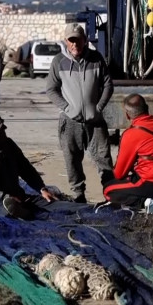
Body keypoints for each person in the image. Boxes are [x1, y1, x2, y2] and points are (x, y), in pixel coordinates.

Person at [46, 23, 114, 204]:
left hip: (95, 122)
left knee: (103, 158)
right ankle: (78, 195)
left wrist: (98, 107)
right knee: (72, 160)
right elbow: (51, 89)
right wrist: (67, 108)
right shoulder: (58, 61)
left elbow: (108, 84)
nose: (75, 44)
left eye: (78, 40)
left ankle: (110, 194)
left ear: (85, 40)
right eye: (71, 40)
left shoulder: (96, 59)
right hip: (70, 122)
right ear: (66, 41)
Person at [0, 113, 65, 219]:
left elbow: (26, 169)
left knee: (51, 204)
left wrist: (41, 189)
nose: (4, 133)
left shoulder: (8, 144)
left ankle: (78, 208)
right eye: (0, 131)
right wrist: (4, 196)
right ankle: (18, 212)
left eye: (3, 130)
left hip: (13, 195)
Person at [103, 94, 153, 212]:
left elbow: (119, 173)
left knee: (108, 190)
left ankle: (149, 202)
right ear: (146, 108)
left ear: (127, 114)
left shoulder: (131, 134)